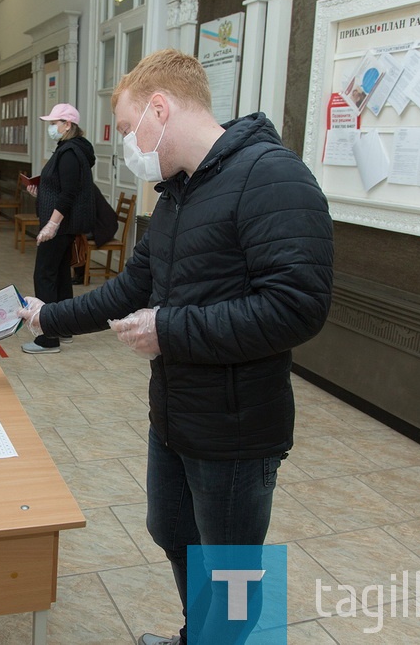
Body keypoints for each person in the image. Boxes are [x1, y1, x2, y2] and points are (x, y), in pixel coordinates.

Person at [18, 49, 334, 645]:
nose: (129, 147)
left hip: (237, 427)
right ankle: (200, 635)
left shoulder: (272, 177)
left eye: (131, 129)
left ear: (160, 110)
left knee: (233, 569)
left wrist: (170, 330)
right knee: (173, 532)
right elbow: (135, 285)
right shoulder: (178, 193)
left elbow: (298, 306)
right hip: (175, 412)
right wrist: (47, 316)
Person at [23, 102, 96, 354]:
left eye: (54, 123)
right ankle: (64, 328)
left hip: (59, 226)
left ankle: (48, 337)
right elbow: (59, 190)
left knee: (44, 275)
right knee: (61, 276)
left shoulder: (69, 153)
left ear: (67, 125)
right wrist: (40, 192)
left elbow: (68, 194)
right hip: (64, 225)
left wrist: (52, 225)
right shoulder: (72, 150)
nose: (51, 128)